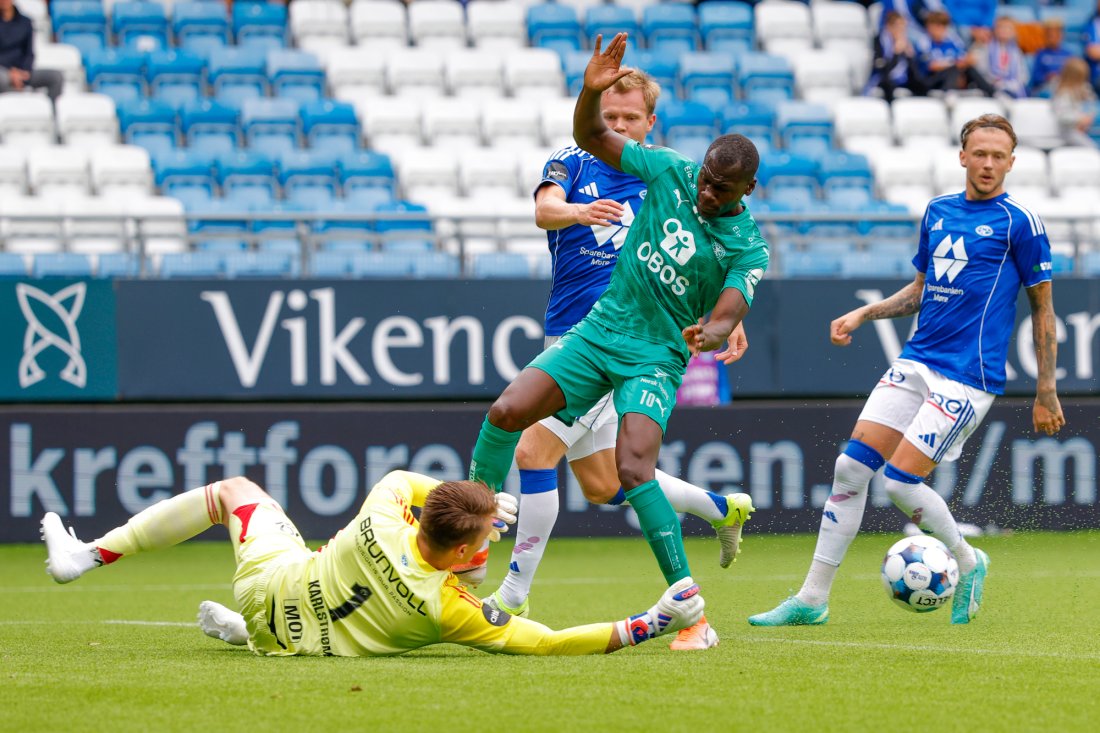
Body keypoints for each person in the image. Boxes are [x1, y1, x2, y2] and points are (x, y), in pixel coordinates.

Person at [468, 32, 769, 649]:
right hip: (594, 330)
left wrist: (713, 330)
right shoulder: (670, 170)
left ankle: (688, 612)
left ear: (746, 193)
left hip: (655, 356)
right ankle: (471, 537)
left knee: (621, 469)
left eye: (722, 190)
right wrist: (590, 87)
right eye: (707, 180)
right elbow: (587, 139)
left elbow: (735, 299)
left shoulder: (749, 245)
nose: (707, 193)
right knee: (514, 419)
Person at [749, 113, 1064, 628]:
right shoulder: (938, 211)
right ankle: (812, 599)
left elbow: (1043, 308)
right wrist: (864, 313)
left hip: (968, 375)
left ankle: (967, 558)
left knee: (898, 483)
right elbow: (921, 290)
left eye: (998, 156)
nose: (988, 163)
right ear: (962, 156)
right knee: (851, 470)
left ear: (1012, 161)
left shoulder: (1020, 223)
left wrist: (1045, 388)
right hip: (917, 360)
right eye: (979, 153)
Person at [40, 471, 704, 656]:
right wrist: (647, 621)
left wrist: (481, 501)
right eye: (486, 541)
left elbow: (424, 490)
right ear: (464, 553)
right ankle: (242, 632)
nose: (492, 545)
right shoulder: (449, 611)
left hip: (267, 590)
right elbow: (552, 641)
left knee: (231, 493)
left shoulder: (386, 502)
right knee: (319, 595)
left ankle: (88, 555)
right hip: (297, 637)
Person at [919, 11, 995, 97]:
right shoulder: (924, 42)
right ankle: (949, 93)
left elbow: (967, 58)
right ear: (929, 27)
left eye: (943, 26)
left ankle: (993, 93)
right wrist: (955, 63)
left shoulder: (953, 41)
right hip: (931, 80)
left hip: (955, 76)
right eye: (936, 26)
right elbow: (932, 66)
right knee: (954, 68)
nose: (939, 30)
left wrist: (964, 62)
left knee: (969, 68)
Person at [0, 0, 63, 100]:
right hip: (3, 71)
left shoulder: (25, 22)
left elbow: (29, 53)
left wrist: (24, 71)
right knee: (2, 78)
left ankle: (50, 111)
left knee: (56, 77)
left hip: (22, 72)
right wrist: (10, 72)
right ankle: (20, 99)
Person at [866, 11, 926, 102]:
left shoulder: (906, 41)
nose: (901, 31)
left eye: (903, 28)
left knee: (922, 85)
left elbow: (914, 73)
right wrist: (896, 53)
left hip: (901, 79)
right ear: (889, 26)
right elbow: (883, 71)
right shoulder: (879, 41)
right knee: (889, 85)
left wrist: (910, 57)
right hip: (883, 79)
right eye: (898, 27)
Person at [972, 16, 1030, 99]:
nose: (1004, 30)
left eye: (1008, 28)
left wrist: (1011, 83)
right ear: (995, 30)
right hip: (992, 85)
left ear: (1013, 32)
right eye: (1001, 27)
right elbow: (981, 70)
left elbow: (1023, 75)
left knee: (1023, 91)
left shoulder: (1016, 51)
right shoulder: (986, 47)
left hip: (1012, 86)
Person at [1051, 58, 1098, 147]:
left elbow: (1092, 103)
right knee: (1092, 147)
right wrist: (1079, 119)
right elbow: (1062, 116)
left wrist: (1089, 117)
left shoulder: (1084, 88)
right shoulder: (1063, 93)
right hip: (1067, 132)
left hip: (1084, 129)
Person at [1030, 17, 1073, 96]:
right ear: (1045, 36)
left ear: (1061, 36)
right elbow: (1036, 77)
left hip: (1064, 88)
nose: (1053, 38)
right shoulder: (1041, 54)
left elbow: (1073, 75)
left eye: (1056, 35)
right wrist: (1047, 77)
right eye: (1050, 35)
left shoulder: (1068, 54)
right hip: (1046, 87)